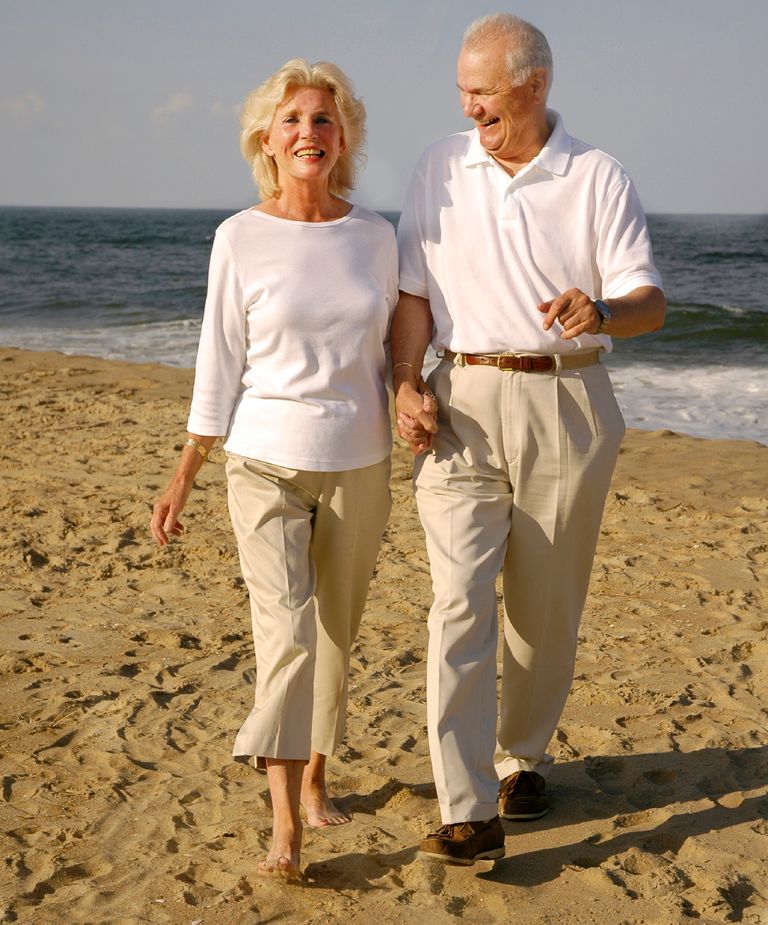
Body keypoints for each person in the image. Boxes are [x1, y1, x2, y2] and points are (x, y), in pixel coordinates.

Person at [391, 13, 666, 864]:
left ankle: (520, 757)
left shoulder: (596, 175)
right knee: (458, 600)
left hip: (568, 400)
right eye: (463, 92)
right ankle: (467, 808)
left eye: (483, 92)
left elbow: (648, 302)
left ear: (533, 86)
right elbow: (412, 297)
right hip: (462, 399)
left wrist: (603, 310)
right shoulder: (438, 166)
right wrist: (405, 381)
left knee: (543, 609)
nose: (469, 106)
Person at [150, 59, 397, 879]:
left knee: (334, 638)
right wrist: (187, 468)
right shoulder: (239, 236)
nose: (308, 134)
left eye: (323, 120)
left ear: (343, 136)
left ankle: (317, 772)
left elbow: (399, 349)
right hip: (261, 463)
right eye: (292, 120)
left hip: (359, 462)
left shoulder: (376, 236)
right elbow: (218, 360)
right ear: (267, 136)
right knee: (286, 634)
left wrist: (420, 395)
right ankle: (284, 826)